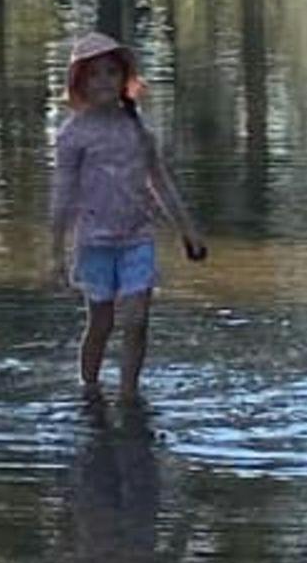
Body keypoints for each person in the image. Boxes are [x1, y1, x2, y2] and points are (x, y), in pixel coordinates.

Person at [51, 30, 207, 400]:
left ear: (124, 79)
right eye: (94, 74)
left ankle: (128, 395)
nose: (104, 81)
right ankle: (89, 389)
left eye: (111, 72)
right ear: (80, 83)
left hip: (137, 239)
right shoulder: (73, 136)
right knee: (101, 323)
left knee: (136, 321)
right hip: (95, 243)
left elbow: (161, 183)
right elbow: (63, 195)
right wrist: (53, 251)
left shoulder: (139, 130)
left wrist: (188, 231)